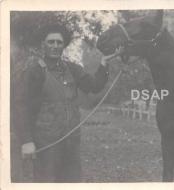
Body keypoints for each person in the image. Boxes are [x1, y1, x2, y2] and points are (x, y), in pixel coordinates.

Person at [18, 24, 114, 182]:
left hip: (71, 144)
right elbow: (22, 107)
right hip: (46, 145)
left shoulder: (73, 69)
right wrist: (27, 140)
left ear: (64, 45)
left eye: (59, 42)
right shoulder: (34, 71)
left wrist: (103, 63)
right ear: (43, 44)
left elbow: (94, 86)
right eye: (51, 42)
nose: (55, 46)